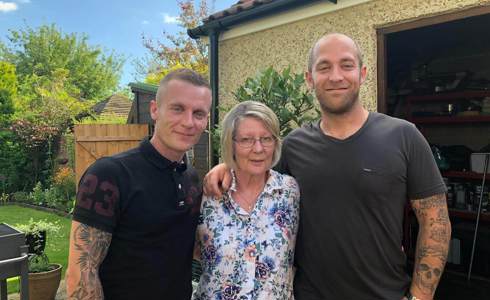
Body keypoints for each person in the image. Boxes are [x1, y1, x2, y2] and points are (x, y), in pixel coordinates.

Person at [203, 33, 451, 300]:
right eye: (324, 67)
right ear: (310, 78)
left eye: (346, 65)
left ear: (363, 73)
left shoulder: (403, 136)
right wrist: (226, 167)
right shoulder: (293, 146)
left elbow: (435, 222)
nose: (335, 76)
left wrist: (419, 297)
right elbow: (257, 177)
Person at [65, 68, 212, 300]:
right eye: (178, 108)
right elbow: (81, 273)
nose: (188, 122)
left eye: (199, 113)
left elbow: (187, 246)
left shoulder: (192, 179)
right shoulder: (109, 175)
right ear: (154, 110)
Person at [193, 101, 300, 300]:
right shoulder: (208, 195)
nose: (258, 148)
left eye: (266, 138)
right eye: (246, 140)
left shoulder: (290, 191)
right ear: (230, 143)